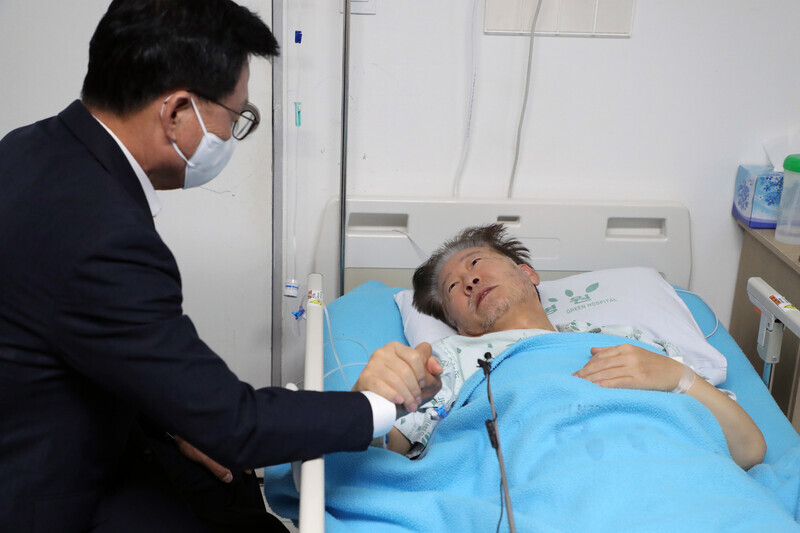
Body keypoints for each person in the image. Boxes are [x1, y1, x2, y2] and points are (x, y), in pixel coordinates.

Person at [0, 1, 440, 532]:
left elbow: (72, 339)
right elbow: (236, 423)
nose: (233, 137)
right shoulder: (104, 236)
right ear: (177, 111)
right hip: (42, 490)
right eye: (236, 117)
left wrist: (176, 415)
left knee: (222, 484)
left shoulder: (31, 149)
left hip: (76, 416)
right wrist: (377, 404)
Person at [353, 224, 767, 470]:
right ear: (458, 324)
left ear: (528, 273)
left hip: (674, 477)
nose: (469, 281)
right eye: (454, 288)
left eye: (476, 263)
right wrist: (371, 401)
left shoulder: (629, 339)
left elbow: (748, 448)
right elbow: (385, 452)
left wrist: (678, 377)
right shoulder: (449, 361)